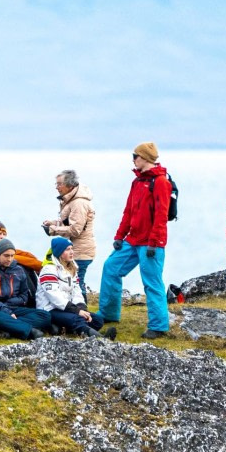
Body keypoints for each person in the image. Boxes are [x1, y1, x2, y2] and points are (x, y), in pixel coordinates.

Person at [97, 142, 171, 339]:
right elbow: (128, 211)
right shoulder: (137, 182)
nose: (133, 160)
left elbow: (161, 216)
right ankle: (108, 314)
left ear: (145, 158)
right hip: (133, 239)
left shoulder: (161, 182)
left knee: (152, 282)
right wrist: (119, 236)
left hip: (151, 243)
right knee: (111, 267)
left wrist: (154, 243)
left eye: (135, 156)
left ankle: (158, 326)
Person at [37, 237, 116, 339]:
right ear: (59, 252)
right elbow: (54, 297)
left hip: (66, 308)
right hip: (50, 309)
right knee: (76, 318)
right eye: (67, 249)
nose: (71, 252)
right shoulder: (49, 270)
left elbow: (76, 292)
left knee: (96, 320)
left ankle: (65, 328)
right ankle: (101, 339)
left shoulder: (71, 268)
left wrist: (82, 308)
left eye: (71, 249)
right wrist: (76, 311)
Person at [0, 238, 52, 340]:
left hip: (13, 307)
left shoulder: (18, 270)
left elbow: (24, 296)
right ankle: (30, 331)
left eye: (12, 256)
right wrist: (5, 310)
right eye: (6, 256)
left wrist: (10, 305)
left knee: (45, 316)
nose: (10, 259)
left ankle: (8, 328)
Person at [42, 169, 96, 296]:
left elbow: (75, 229)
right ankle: (78, 311)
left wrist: (52, 230)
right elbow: (69, 222)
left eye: (59, 184)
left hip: (80, 252)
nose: (57, 187)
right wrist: (53, 223)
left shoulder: (79, 203)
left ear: (70, 185)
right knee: (73, 282)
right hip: (75, 250)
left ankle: (83, 312)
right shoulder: (71, 200)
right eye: (56, 184)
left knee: (77, 283)